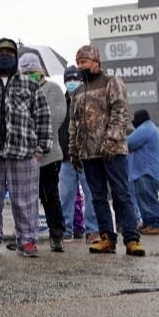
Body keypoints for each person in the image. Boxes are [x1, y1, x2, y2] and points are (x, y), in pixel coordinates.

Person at [0, 37, 52, 258]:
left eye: (10, 53)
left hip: (23, 152)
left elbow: (43, 116)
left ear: (16, 57)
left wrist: (41, 149)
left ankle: (27, 240)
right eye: (0, 52)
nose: (5, 56)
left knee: (25, 200)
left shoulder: (29, 84)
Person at [68, 45, 144, 256]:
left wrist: (112, 139)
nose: (81, 66)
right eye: (78, 62)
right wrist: (73, 150)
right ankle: (107, 238)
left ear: (96, 62)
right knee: (97, 197)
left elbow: (121, 111)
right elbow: (74, 124)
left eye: (84, 62)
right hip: (89, 153)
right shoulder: (78, 92)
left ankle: (131, 239)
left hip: (113, 151)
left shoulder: (112, 83)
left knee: (121, 194)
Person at [18, 53, 67, 252]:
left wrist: (31, 131)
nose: (29, 76)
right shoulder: (20, 92)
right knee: (25, 199)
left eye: (32, 72)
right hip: (24, 155)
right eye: (25, 73)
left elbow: (55, 118)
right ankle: (27, 237)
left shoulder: (52, 89)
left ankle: (57, 234)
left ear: (40, 71)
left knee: (49, 196)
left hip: (48, 155)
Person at [58, 65, 99, 242]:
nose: (71, 83)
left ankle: (92, 230)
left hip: (86, 156)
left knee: (91, 194)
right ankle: (65, 229)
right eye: (68, 80)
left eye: (75, 79)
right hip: (65, 157)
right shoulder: (60, 101)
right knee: (64, 195)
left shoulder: (89, 99)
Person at [128, 109, 159, 235]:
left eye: (134, 119)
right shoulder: (150, 128)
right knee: (145, 199)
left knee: (148, 199)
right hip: (148, 172)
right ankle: (148, 223)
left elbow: (129, 143)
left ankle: (154, 224)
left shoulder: (145, 129)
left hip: (147, 173)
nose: (133, 122)